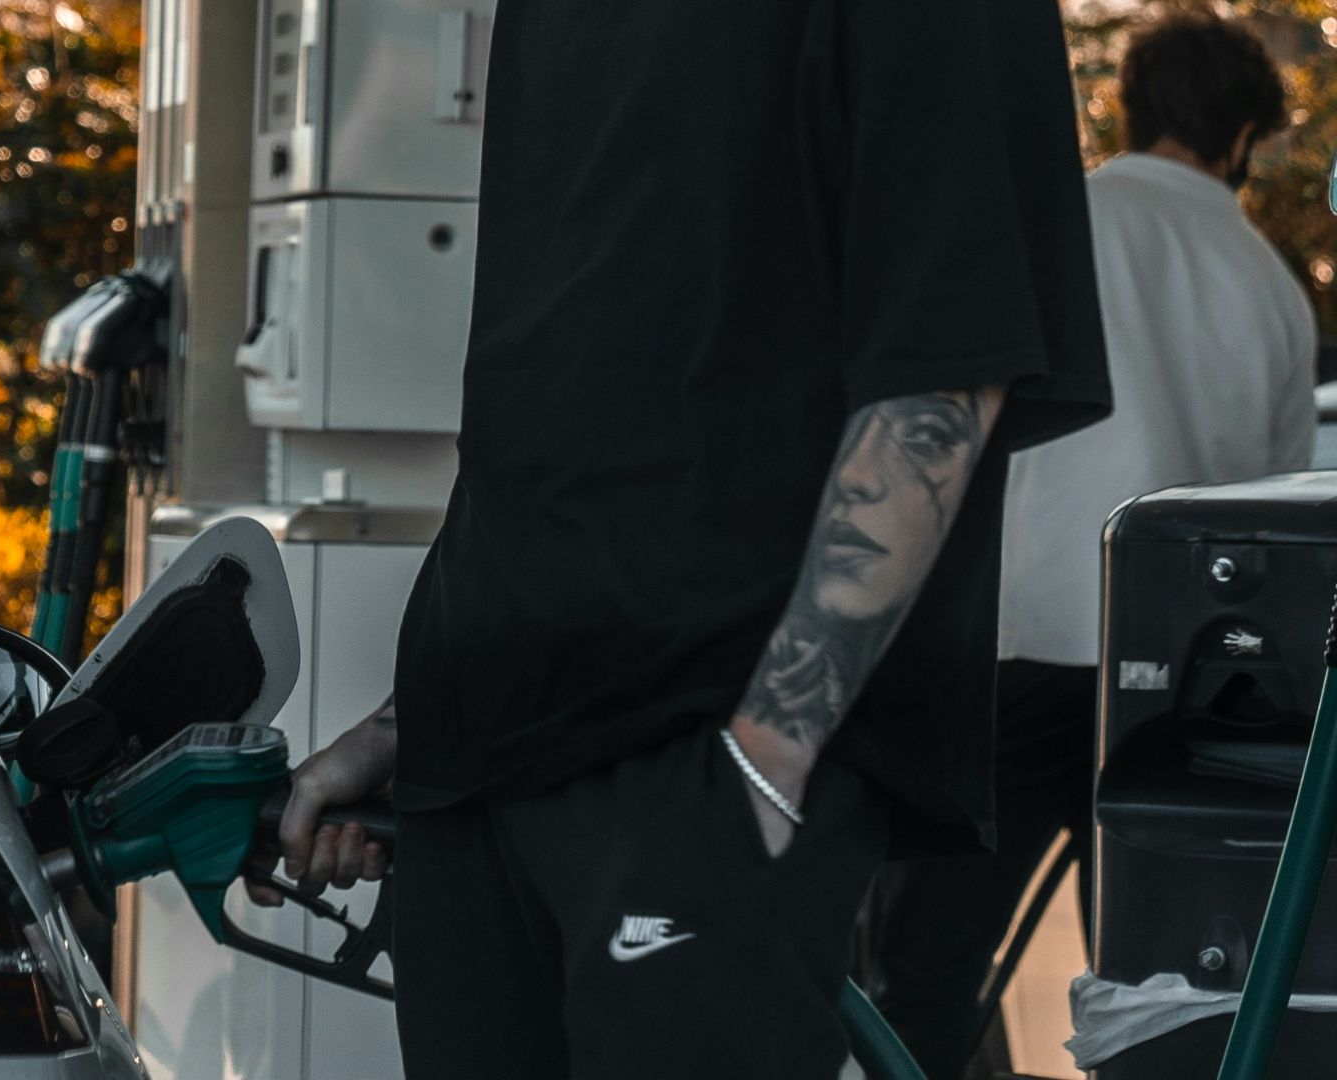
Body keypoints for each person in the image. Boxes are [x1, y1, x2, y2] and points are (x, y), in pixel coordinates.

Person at [258, 2, 1112, 1075]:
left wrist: (766, 763)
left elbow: (943, 370)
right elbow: (560, 401)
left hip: (703, 762)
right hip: (475, 760)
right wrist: (410, 723)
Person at [864, 14, 1317, 1078]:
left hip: (1021, 649)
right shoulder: (1272, 290)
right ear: (1246, 134)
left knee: (925, 969)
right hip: (1182, 691)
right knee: (1163, 984)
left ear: (1131, 106)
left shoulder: (1061, 221)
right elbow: (1280, 523)